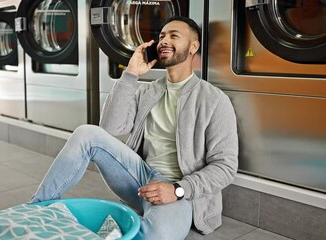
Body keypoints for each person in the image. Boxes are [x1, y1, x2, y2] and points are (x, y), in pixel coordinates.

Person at [30, 16, 238, 240]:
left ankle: (125, 224)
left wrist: (178, 189)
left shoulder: (214, 100)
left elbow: (225, 166)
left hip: (178, 190)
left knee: (157, 234)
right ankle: (35, 210)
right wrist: (130, 75)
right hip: (139, 176)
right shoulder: (147, 91)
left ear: (193, 47)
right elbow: (109, 128)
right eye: (161, 37)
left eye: (174, 36)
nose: (164, 41)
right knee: (86, 133)